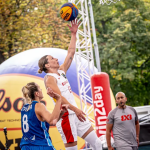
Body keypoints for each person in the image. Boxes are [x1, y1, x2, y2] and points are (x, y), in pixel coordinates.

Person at [38, 19, 102, 150]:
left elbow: (71, 53)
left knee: (97, 143)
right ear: (47, 65)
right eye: (52, 58)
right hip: (66, 116)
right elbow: (59, 99)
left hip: (76, 115)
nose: (56, 58)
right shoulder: (49, 78)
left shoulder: (61, 71)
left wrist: (74, 34)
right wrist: (76, 109)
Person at [20, 82, 69, 150]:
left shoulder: (24, 108)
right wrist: (58, 100)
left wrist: (61, 112)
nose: (41, 90)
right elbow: (52, 121)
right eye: (39, 88)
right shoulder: (39, 106)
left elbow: (49, 120)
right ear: (37, 93)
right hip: (40, 145)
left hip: (26, 146)